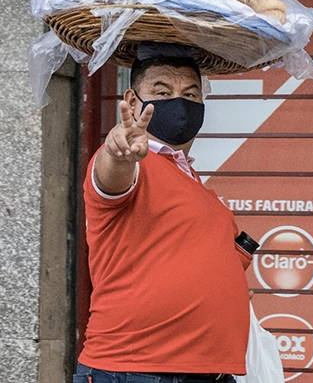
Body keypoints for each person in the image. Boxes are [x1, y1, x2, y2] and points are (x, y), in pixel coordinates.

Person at [76, 44, 253, 383]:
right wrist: (120, 151)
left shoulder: (193, 181)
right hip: (138, 369)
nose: (180, 102)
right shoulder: (135, 162)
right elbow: (112, 175)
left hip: (206, 372)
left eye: (191, 93)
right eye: (162, 91)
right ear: (131, 101)